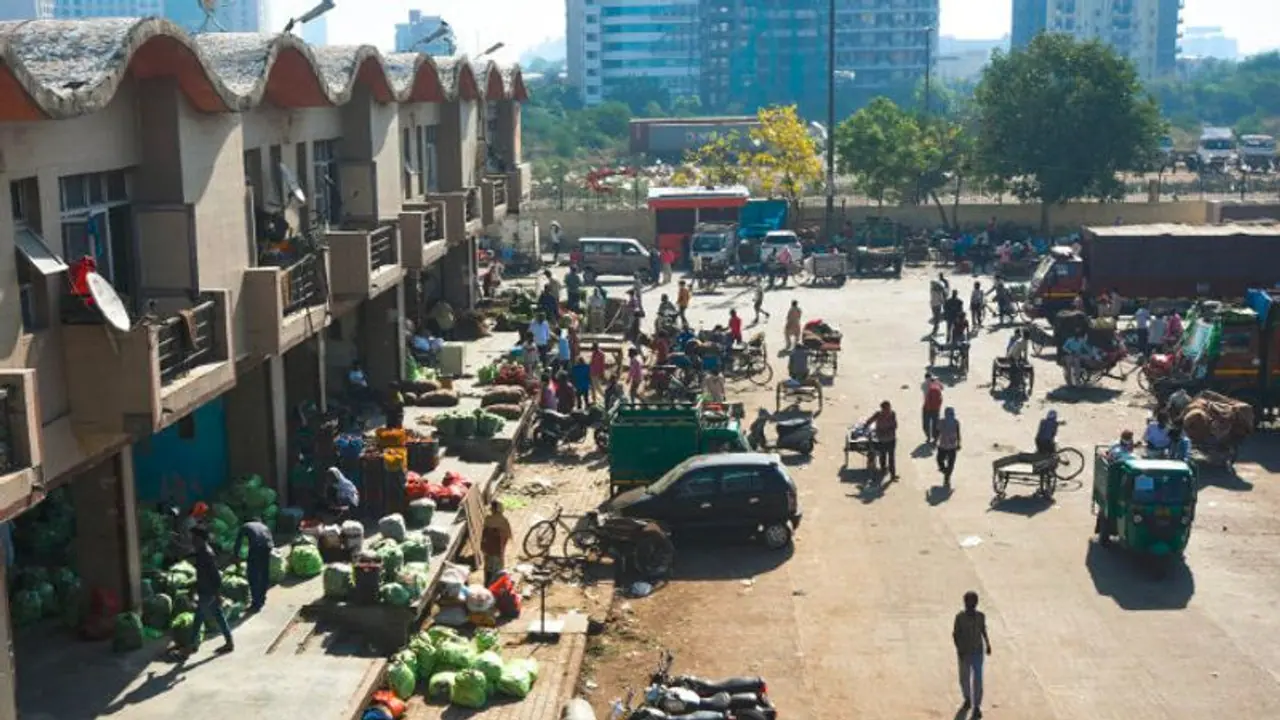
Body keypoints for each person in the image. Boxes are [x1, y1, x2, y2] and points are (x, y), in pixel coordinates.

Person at [186, 527, 234, 655]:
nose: (192, 540)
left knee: (198, 618)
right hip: (206, 590)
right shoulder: (202, 551)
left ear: (200, 539)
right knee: (218, 615)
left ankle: (190, 646)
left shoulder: (206, 554)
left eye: (194, 537)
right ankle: (229, 642)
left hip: (208, 591)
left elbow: (215, 576)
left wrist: (217, 593)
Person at [953, 590, 991, 718]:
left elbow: (983, 629)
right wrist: (959, 650)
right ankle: (968, 698)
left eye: (973, 602)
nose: (971, 605)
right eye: (969, 602)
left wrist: (988, 644)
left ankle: (976, 706)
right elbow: (955, 634)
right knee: (964, 679)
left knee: (978, 680)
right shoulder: (960, 618)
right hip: (964, 653)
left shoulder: (981, 616)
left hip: (977, 652)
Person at [233, 518, 273, 613]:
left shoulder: (245, 526)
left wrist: (235, 556)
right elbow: (270, 538)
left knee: (253, 575)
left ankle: (256, 604)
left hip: (256, 548)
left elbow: (238, 542)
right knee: (264, 573)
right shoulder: (264, 526)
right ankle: (262, 598)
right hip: (267, 547)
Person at [864, 401, 899, 479]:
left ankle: (890, 474)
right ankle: (887, 473)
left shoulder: (891, 414)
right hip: (885, 439)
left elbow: (895, 425)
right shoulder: (881, 414)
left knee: (889, 457)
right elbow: (869, 421)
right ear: (883, 409)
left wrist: (866, 427)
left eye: (889, 408)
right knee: (885, 456)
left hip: (889, 439)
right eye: (887, 409)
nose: (888, 410)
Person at [481, 500, 513, 585]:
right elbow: (508, 534)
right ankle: (496, 584)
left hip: (489, 548)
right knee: (497, 568)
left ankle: (488, 583)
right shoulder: (503, 521)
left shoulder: (488, 519)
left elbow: (484, 533)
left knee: (488, 567)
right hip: (498, 548)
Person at [936, 407, 961, 487]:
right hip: (952, 446)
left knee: (940, 460)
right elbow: (958, 434)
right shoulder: (956, 422)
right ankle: (947, 478)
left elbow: (937, 432)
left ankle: (944, 470)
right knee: (951, 464)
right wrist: (959, 444)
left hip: (943, 445)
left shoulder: (942, 421)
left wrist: (935, 441)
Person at [922, 372, 944, 443]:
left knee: (926, 424)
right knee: (936, 423)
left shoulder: (924, 384)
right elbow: (942, 387)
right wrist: (937, 381)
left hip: (927, 406)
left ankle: (928, 437)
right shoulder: (936, 383)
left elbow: (923, 388)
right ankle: (935, 438)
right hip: (936, 407)